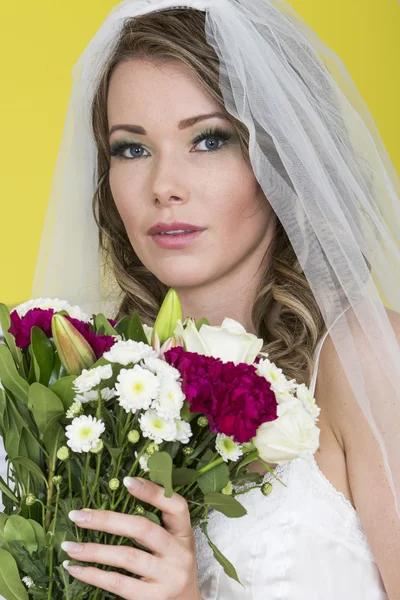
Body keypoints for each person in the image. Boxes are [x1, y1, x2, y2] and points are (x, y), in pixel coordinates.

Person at [30, 0, 400, 598]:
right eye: (131, 148)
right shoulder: (92, 387)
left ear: (282, 158)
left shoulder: (366, 362)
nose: (164, 187)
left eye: (208, 139)